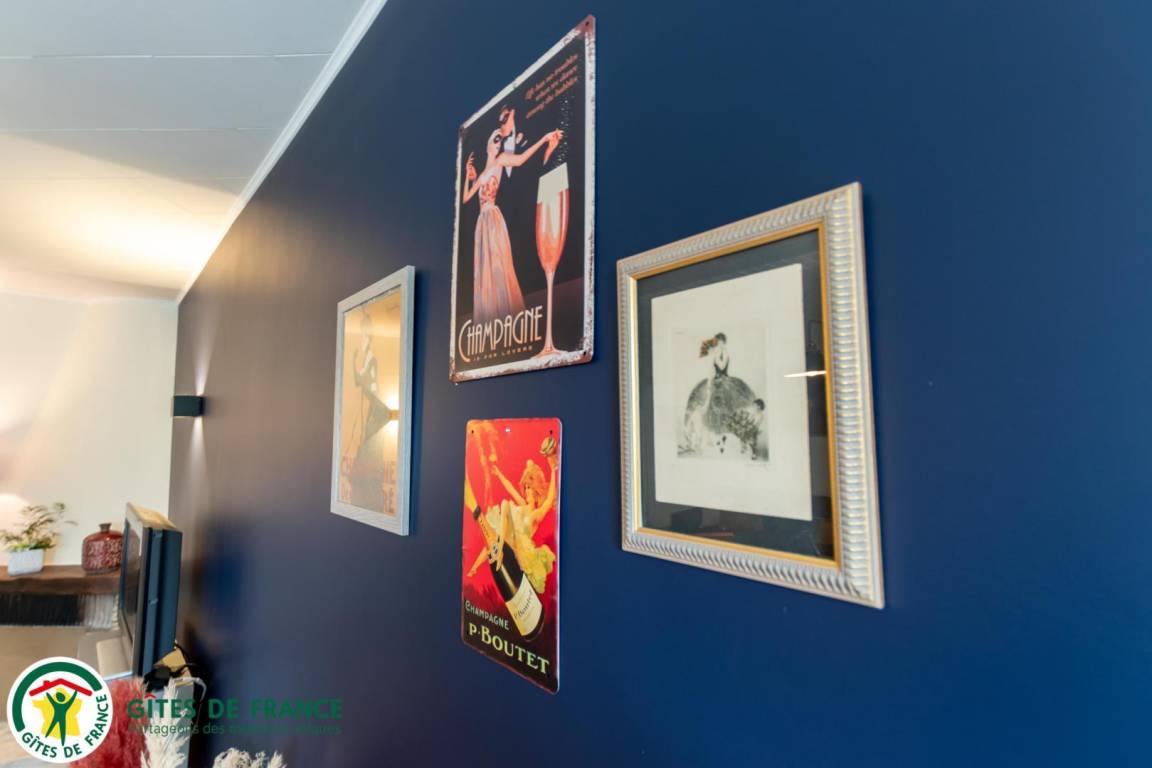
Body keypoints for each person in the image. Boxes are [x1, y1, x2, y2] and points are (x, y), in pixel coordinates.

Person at [462, 123, 563, 325]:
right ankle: (490, 319)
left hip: (493, 219)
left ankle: (506, 315)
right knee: (485, 271)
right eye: (495, 139)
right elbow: (466, 198)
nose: (497, 144)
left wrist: (544, 139)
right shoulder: (482, 174)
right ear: (488, 144)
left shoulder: (501, 161)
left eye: (500, 140)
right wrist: (468, 176)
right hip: (481, 223)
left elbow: (521, 158)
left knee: (499, 265)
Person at [681, 333, 768, 460]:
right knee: (711, 408)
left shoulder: (725, 353)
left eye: (720, 342)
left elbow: (721, 366)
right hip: (715, 382)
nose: (718, 344)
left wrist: (716, 356)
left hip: (724, 382)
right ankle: (711, 440)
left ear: (723, 343)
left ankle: (738, 443)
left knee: (726, 408)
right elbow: (712, 370)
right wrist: (709, 380)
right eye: (717, 342)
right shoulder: (717, 352)